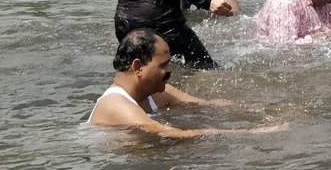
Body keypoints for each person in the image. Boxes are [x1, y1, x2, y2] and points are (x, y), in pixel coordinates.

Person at [89, 29, 284, 138]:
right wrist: (252, 133)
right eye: (164, 65)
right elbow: (170, 133)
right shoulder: (116, 104)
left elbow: (206, 106)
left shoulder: (154, 93)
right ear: (138, 66)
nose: (170, 71)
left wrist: (264, 109)